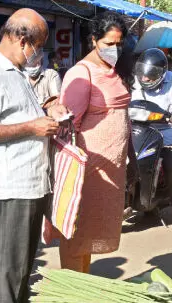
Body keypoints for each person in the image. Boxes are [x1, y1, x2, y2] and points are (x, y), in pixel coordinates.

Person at [0, 8, 68, 303]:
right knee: (8, 258)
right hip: (11, 179)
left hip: (29, 178)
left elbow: (16, 115)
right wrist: (33, 126)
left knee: (25, 256)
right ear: (22, 40)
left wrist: (46, 112)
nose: (38, 53)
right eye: (37, 46)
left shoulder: (15, 72)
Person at [57, 12, 132, 272]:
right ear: (93, 40)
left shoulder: (111, 70)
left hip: (112, 168)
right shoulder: (82, 72)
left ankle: (82, 280)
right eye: (109, 43)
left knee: (91, 232)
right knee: (77, 230)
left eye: (119, 43)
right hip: (89, 169)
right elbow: (68, 127)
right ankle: (71, 287)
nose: (115, 49)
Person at [133, 48, 172, 228]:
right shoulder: (135, 79)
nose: (144, 79)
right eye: (142, 75)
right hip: (136, 129)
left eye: (149, 77)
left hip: (164, 130)